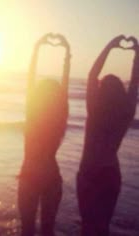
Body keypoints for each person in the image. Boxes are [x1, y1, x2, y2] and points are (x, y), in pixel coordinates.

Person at [77, 35, 139, 236]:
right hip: (110, 174)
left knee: (88, 227)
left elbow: (92, 73)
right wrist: (137, 52)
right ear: (120, 91)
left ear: (101, 90)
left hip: (89, 172)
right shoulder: (126, 111)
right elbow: (135, 83)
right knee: (102, 228)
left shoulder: (94, 109)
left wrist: (110, 46)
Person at [18, 33, 71, 236]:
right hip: (51, 176)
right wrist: (66, 52)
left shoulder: (33, 114)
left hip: (30, 174)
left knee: (27, 229)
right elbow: (64, 87)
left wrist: (37, 48)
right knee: (48, 229)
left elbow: (30, 79)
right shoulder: (59, 117)